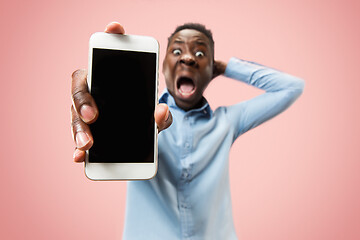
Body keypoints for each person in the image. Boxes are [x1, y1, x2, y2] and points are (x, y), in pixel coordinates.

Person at [71, 22, 304, 239]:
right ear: (162, 68)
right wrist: (95, 108)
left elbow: (291, 87)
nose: (189, 58)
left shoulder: (228, 122)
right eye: (177, 52)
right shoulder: (144, 117)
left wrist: (225, 67)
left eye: (200, 54)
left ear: (211, 70)